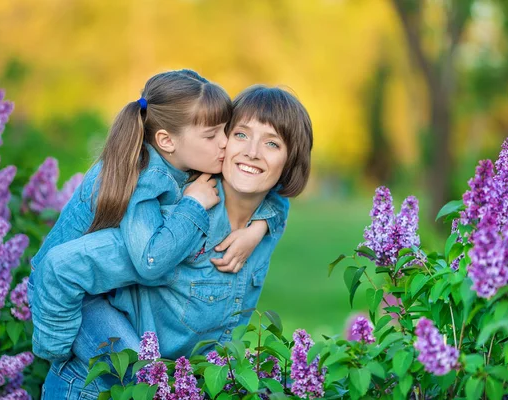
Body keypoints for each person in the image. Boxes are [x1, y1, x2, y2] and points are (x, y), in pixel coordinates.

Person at [35, 85, 313, 399]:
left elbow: (278, 203)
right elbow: (61, 265)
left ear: (289, 162)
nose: (252, 152)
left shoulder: (267, 218)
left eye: (272, 143)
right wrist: (53, 349)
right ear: (222, 141)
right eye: (241, 135)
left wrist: (259, 228)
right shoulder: (178, 221)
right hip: (93, 388)